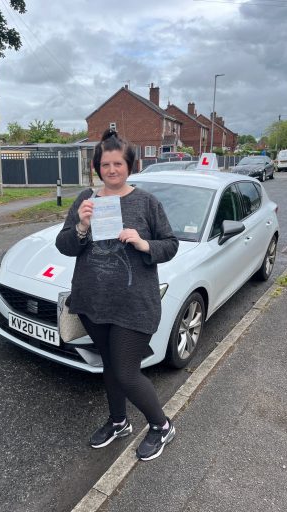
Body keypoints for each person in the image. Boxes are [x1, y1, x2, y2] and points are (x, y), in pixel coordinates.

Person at [55, 129, 179, 461]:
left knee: (126, 372)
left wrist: (143, 243)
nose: (111, 170)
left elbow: (171, 245)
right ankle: (119, 421)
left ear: (130, 165)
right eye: (105, 164)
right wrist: (80, 226)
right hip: (93, 302)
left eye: (118, 164)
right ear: (97, 167)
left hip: (134, 304)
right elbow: (64, 246)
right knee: (109, 365)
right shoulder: (86, 199)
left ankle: (162, 425)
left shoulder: (147, 202)